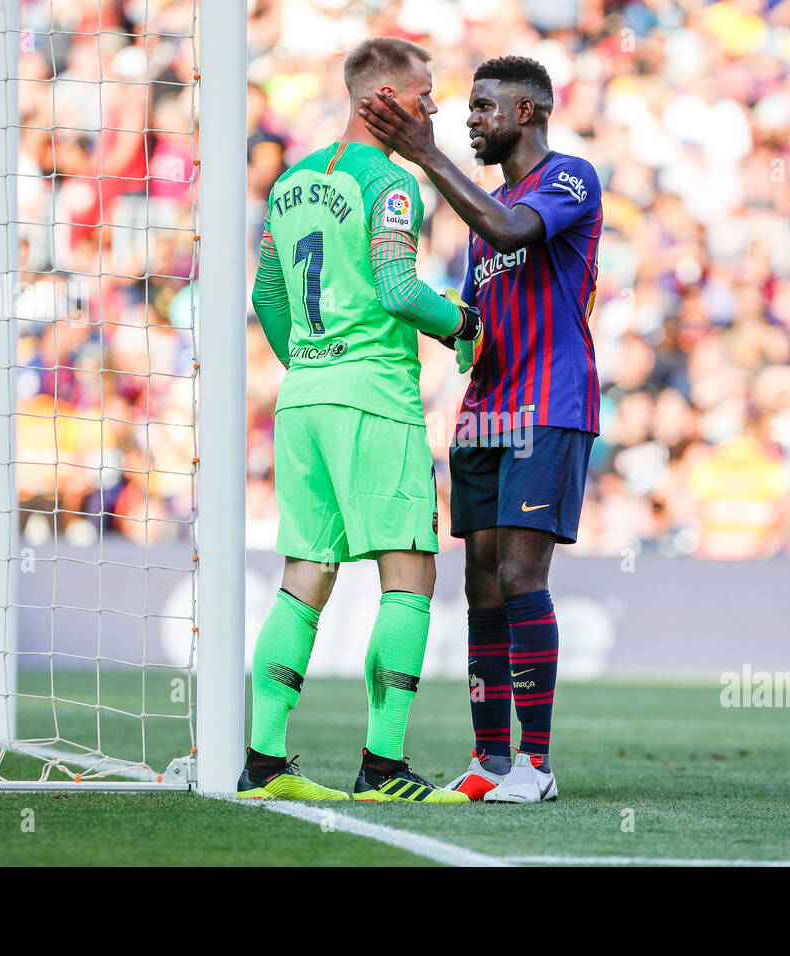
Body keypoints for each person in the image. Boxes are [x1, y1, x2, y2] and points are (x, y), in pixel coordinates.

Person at [360, 55, 602, 802]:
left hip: (550, 406)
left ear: (527, 113)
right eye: (466, 108)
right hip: (484, 413)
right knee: (482, 589)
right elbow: (473, 325)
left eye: (484, 107)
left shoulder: (569, 179)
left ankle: (537, 764)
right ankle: (490, 760)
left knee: (523, 578)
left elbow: (510, 233)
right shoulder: (479, 213)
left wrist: (422, 152)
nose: (469, 119)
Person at [244, 37, 479, 804]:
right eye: (424, 94)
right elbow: (400, 290)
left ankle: (264, 764)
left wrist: (312, 358)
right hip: (374, 398)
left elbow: (268, 300)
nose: (435, 107)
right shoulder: (393, 185)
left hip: (304, 398)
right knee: (409, 575)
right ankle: (383, 770)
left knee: (305, 577)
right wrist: (467, 327)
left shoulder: (289, 183)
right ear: (381, 100)